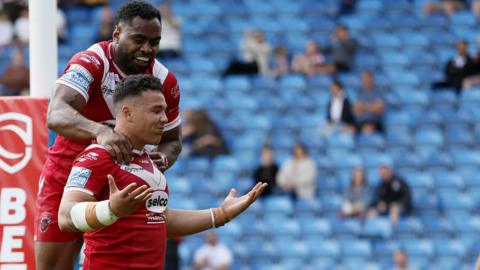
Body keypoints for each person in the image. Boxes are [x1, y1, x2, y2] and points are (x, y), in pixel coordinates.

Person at [57, 74, 266, 269]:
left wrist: (221, 215)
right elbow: (65, 217)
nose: (165, 119)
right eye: (156, 111)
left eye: (165, 111)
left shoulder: (150, 162)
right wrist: (110, 209)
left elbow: (159, 220)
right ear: (127, 113)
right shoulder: (98, 156)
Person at [35, 2, 183, 269]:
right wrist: (101, 131)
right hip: (69, 173)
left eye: (154, 42)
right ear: (116, 35)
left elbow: (173, 140)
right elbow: (56, 113)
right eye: (139, 39)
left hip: (125, 179)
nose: (147, 49)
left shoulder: (165, 80)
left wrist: (163, 158)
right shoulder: (91, 62)